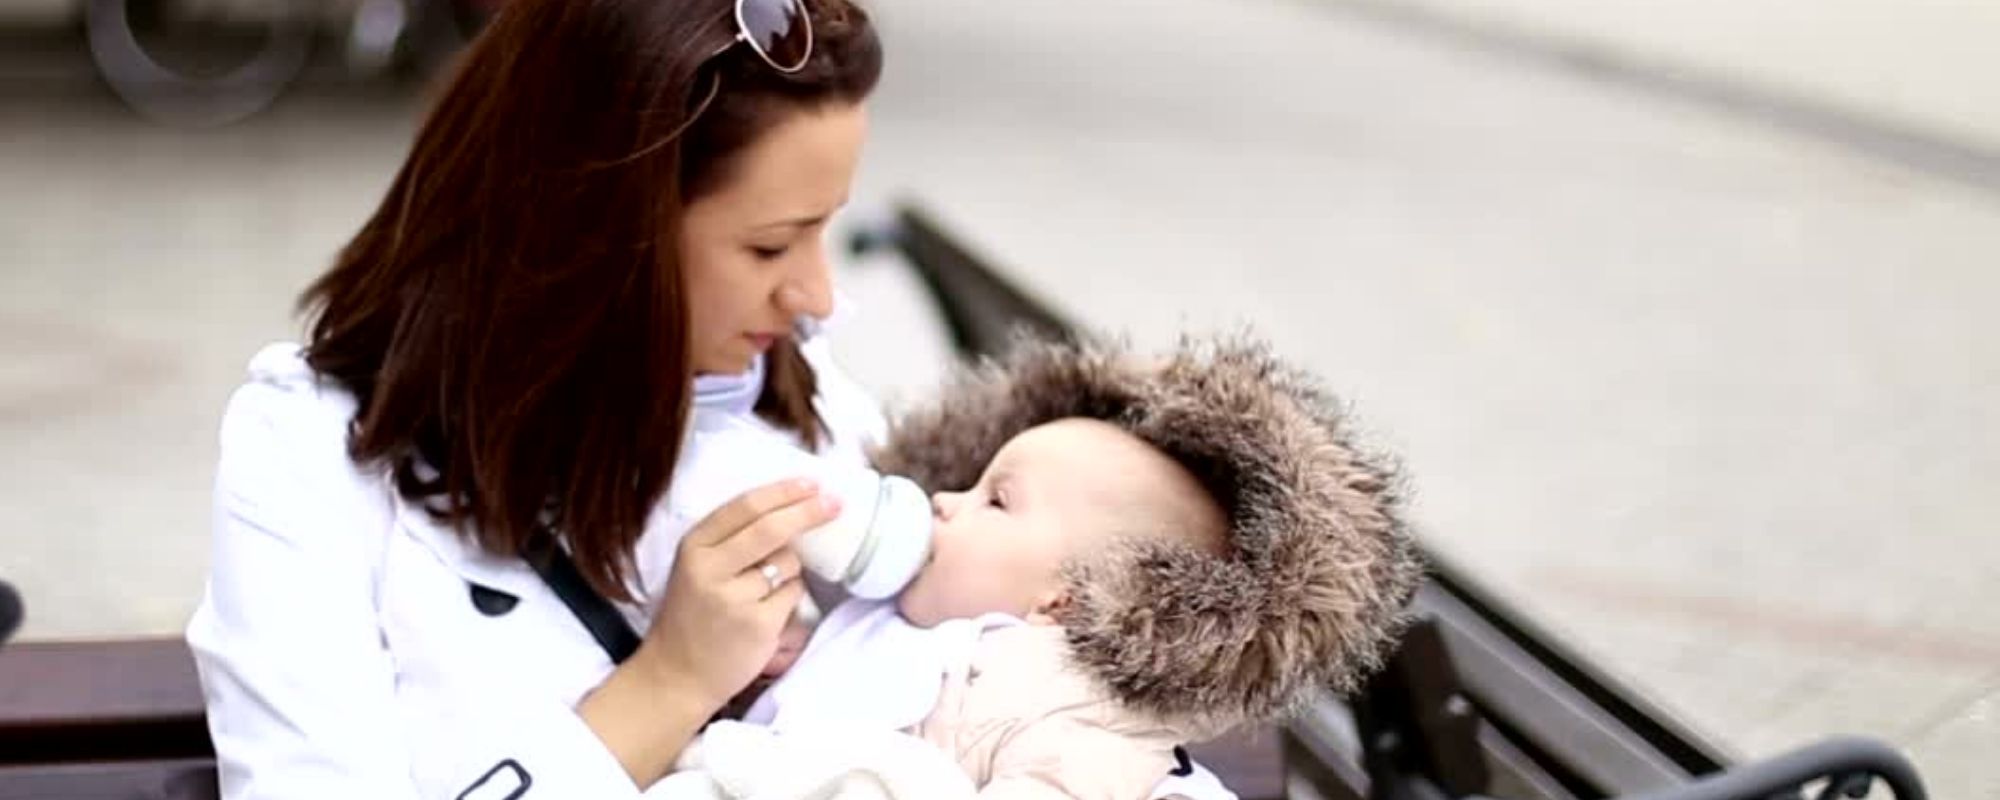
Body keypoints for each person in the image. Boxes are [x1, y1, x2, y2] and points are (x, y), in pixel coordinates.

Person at [185, 1, 1235, 797]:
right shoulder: (312, 456)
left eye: (825, 228)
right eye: (769, 243)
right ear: (589, 234)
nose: (817, 295)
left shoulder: (806, 407)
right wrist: (670, 682)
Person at [685, 337, 1423, 799]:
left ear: (1063, 600)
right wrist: (769, 675)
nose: (944, 501)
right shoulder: (888, 613)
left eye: (995, 501)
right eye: (970, 485)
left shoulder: (1066, 696)